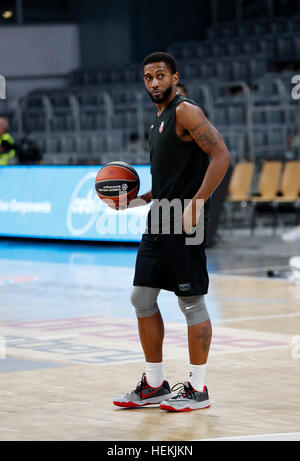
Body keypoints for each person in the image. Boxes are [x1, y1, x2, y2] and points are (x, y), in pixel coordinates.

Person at [113, 52, 231, 412]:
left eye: (160, 76)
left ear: (175, 78)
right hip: (159, 219)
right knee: (141, 298)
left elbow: (222, 156)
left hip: (186, 221)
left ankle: (197, 389)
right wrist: (133, 201)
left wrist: (197, 201)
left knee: (190, 301)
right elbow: (165, 183)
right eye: (148, 77)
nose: (154, 83)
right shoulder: (158, 120)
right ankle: (154, 383)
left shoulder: (185, 111)